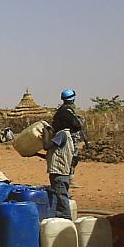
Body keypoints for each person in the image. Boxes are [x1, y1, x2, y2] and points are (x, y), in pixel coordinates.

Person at [45, 89, 83, 219]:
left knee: (61, 197)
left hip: (59, 172)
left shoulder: (61, 133)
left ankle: (65, 220)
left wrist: (46, 134)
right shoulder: (70, 119)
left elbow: (47, 146)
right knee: (61, 194)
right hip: (64, 169)